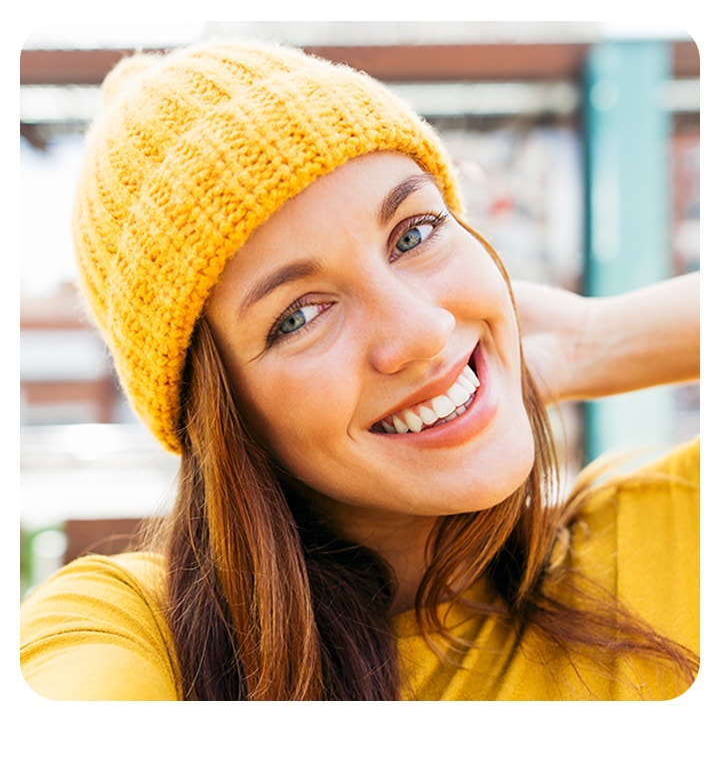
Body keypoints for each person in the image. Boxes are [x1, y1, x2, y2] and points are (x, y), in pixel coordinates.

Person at [20, 39, 699, 701]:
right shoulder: (126, 630)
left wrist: (592, 339)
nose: (423, 331)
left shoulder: (670, 526)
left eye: (414, 233)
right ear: (219, 416)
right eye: (298, 316)